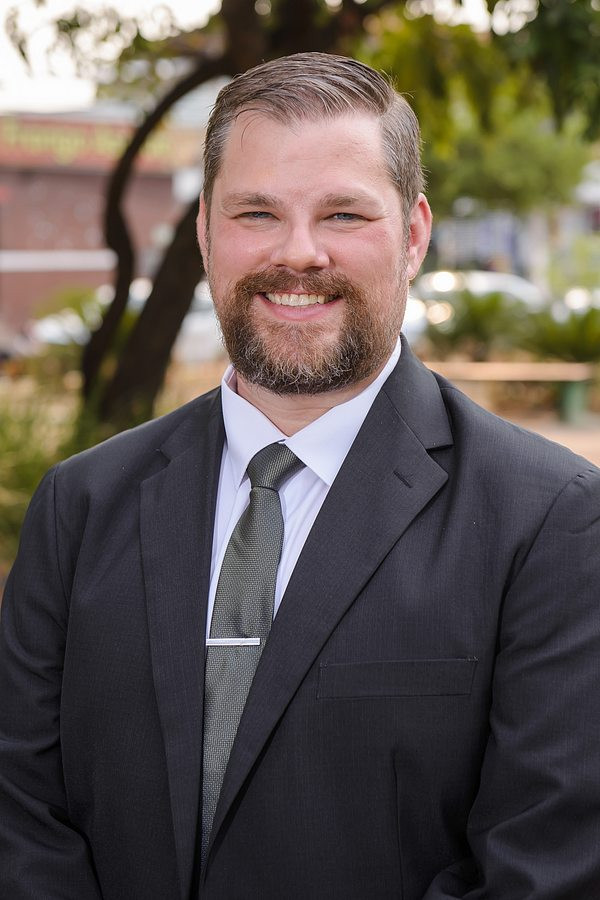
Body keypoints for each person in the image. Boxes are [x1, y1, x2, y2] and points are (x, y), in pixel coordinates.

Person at [1, 52, 599, 900]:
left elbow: (543, 866)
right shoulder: (80, 505)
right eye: (257, 212)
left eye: (344, 214)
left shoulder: (549, 522)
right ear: (205, 231)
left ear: (414, 235)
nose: (299, 253)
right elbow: (21, 815)